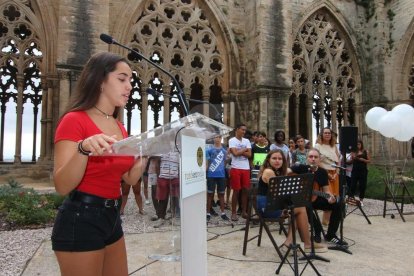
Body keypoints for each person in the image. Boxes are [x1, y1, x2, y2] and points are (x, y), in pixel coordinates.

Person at [52, 52, 146, 275]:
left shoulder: (120, 127)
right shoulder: (74, 120)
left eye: (131, 81)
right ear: (100, 81)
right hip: (81, 217)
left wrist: (148, 152)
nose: (129, 86)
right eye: (122, 79)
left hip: (112, 217)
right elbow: (62, 186)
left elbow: (129, 178)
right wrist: (83, 149)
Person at [257, 150, 327, 253]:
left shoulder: (278, 172)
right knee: (300, 209)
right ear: (268, 160)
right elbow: (279, 193)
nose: (277, 161)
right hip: (267, 207)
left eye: (280, 159)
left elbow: (290, 173)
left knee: (298, 209)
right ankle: (305, 244)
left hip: (274, 205)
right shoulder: (269, 172)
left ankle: (291, 243)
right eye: (274, 158)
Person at [291, 148, 348, 246]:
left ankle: (331, 235)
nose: (313, 159)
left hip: (315, 198)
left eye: (315, 157)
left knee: (338, 204)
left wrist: (330, 197)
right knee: (304, 206)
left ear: (319, 159)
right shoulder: (300, 168)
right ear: (306, 159)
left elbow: (326, 190)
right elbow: (286, 171)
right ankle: (317, 230)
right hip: (302, 200)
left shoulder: (322, 172)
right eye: (310, 157)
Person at [314, 127, 340, 225]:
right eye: (325, 133)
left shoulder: (334, 146)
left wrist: (336, 173)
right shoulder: (318, 146)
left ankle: (328, 220)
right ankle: (325, 220)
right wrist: (328, 174)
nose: (327, 135)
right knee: (327, 196)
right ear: (321, 134)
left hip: (334, 173)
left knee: (334, 196)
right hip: (324, 173)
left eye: (329, 133)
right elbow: (317, 161)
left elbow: (338, 161)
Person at [229, 123, 252, 221]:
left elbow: (250, 154)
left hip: (246, 168)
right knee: (236, 191)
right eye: (242, 129)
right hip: (236, 168)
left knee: (246, 190)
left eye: (245, 130)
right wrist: (244, 149)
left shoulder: (247, 140)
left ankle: (244, 211)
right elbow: (234, 153)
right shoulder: (232, 140)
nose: (244, 132)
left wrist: (239, 151)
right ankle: (234, 213)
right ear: (237, 129)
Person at [206, 136, 229, 221]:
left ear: (221, 138)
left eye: (219, 137)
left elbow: (225, 161)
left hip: (221, 175)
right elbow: (207, 163)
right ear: (213, 139)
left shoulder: (224, 151)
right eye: (215, 137)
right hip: (211, 175)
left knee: (221, 195)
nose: (217, 139)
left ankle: (223, 213)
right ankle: (208, 213)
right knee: (210, 195)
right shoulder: (209, 150)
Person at [154, 151, 180, 228]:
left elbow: (180, 164)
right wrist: (158, 176)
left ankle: (174, 218)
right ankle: (161, 218)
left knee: (175, 199)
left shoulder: (178, 150)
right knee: (162, 199)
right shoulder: (162, 149)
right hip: (163, 178)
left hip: (175, 178)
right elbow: (157, 164)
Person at [350, 140, 370, 205]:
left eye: (359, 144)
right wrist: (352, 157)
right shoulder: (353, 152)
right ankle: (351, 198)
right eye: (356, 144)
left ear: (361, 144)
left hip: (363, 171)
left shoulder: (365, 151)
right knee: (353, 185)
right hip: (355, 170)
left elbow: (369, 161)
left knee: (362, 186)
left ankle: (361, 199)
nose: (358, 145)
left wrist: (363, 160)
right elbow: (351, 160)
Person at [143, 156, 161, 221]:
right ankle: (157, 211)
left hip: (157, 174)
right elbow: (147, 166)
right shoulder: (151, 157)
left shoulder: (159, 156)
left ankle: (159, 212)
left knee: (157, 193)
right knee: (153, 193)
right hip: (151, 174)